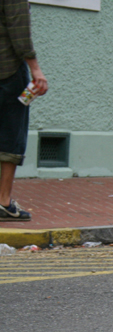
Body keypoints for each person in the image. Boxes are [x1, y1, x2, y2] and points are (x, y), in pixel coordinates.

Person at [0, 0, 48, 221]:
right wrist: (35, 68)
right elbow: (19, 28)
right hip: (7, 70)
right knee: (12, 134)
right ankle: (3, 202)